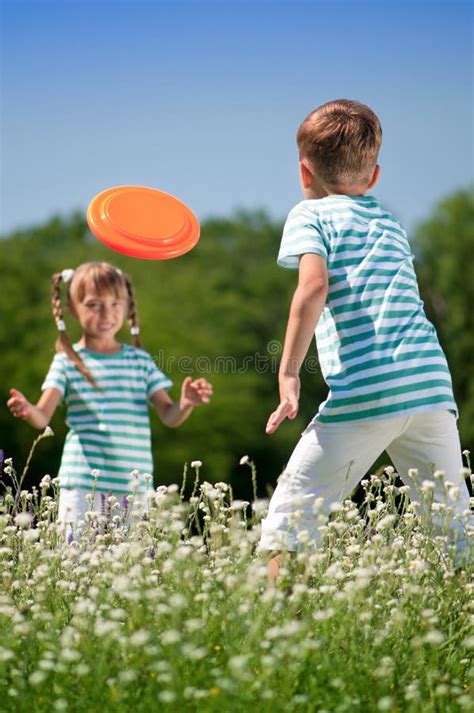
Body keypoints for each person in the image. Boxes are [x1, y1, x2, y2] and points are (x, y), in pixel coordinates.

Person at [260, 99, 472, 578]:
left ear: (304, 171)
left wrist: (289, 371)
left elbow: (313, 286)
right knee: (455, 530)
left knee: (293, 519)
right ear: (373, 176)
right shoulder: (390, 223)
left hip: (370, 390)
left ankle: (274, 633)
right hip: (430, 386)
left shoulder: (308, 215)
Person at [8, 262, 212, 525]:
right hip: (82, 483)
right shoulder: (67, 361)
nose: (107, 313)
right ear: (72, 308)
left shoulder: (140, 361)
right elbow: (42, 416)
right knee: (76, 560)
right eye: (94, 305)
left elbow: (170, 416)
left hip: (134, 485)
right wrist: (28, 410)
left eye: (115, 303)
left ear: (126, 305)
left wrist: (185, 403)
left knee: (132, 562)